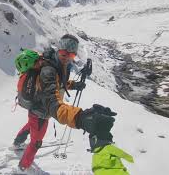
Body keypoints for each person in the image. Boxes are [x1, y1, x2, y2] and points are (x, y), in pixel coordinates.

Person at [13, 34, 133, 174]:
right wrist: (80, 118)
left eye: (71, 54)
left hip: (38, 109)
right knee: (36, 142)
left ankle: (17, 142)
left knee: (31, 125)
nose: (67, 57)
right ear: (58, 50)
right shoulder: (48, 71)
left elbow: (57, 84)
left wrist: (74, 85)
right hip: (41, 111)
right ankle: (23, 167)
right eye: (64, 53)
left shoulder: (59, 65)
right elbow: (52, 105)